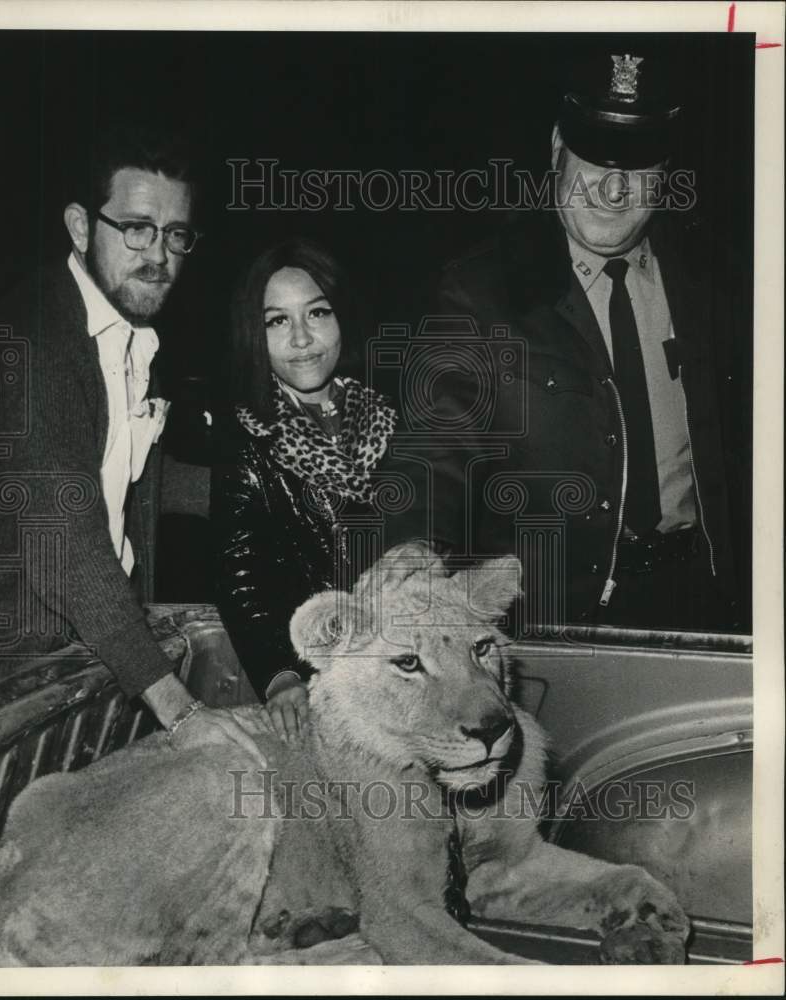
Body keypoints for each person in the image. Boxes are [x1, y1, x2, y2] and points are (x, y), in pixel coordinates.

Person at [384, 51, 746, 634]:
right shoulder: (482, 290)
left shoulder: (722, 281)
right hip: (555, 616)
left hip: (706, 601)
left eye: (638, 164)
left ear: (667, 172)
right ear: (556, 148)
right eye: (596, 159)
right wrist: (413, 546)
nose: (614, 188)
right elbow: (435, 445)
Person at [0, 124, 265, 761]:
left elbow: (136, 479)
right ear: (81, 228)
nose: (157, 254)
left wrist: (268, 480)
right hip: (8, 683)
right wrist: (179, 709)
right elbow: (67, 546)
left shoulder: (134, 335)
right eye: (135, 227)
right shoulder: (32, 339)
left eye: (175, 235)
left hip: (91, 654)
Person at [211, 238, 397, 741]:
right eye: (277, 321)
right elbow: (241, 571)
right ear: (255, 334)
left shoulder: (392, 418)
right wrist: (280, 675)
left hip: (400, 661)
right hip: (314, 670)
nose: (301, 339)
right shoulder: (248, 438)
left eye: (317, 313)